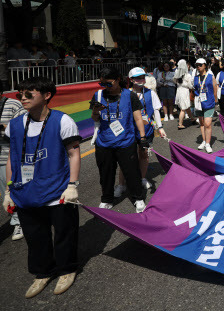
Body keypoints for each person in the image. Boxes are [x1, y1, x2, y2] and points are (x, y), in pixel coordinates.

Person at [3, 76, 82, 298]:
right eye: (20, 94)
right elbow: (12, 158)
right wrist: (8, 191)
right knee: (35, 236)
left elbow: (74, 153)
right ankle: (43, 272)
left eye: (29, 94)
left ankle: (67, 269)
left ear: (47, 96)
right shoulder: (15, 125)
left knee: (64, 234)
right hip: (25, 192)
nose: (23, 98)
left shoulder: (62, 121)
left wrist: (72, 185)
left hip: (57, 191)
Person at [91, 68, 148, 212]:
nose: (105, 87)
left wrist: (142, 137)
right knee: (106, 173)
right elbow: (94, 119)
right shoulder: (98, 95)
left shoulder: (130, 96)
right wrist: (96, 111)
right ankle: (107, 199)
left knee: (131, 172)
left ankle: (138, 198)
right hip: (104, 143)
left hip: (125, 142)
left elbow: (138, 118)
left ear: (117, 80)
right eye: (102, 84)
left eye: (108, 83)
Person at [114, 67, 167, 195]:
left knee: (144, 155)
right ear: (131, 80)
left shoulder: (151, 93)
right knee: (126, 158)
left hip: (147, 130)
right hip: (129, 132)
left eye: (142, 77)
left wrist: (160, 127)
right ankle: (121, 185)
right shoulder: (124, 94)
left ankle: (142, 178)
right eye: (138, 78)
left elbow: (156, 111)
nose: (141, 80)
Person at [0, 88, 27, 240]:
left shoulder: (14, 105)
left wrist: (4, 128)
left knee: (10, 191)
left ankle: (19, 221)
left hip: (8, 157)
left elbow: (23, 131)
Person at [193, 58, 218, 153]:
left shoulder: (210, 76)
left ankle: (208, 143)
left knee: (207, 123)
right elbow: (194, 89)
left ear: (205, 66)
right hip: (199, 103)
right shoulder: (195, 77)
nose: (198, 67)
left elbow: (215, 88)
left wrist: (216, 100)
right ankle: (203, 141)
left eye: (200, 65)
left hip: (209, 102)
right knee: (202, 123)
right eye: (197, 65)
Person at [174, 59, 195, 129]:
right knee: (183, 108)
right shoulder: (187, 75)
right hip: (184, 91)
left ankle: (192, 118)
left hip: (178, 90)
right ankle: (180, 124)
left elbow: (174, 81)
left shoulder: (176, 74)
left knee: (187, 106)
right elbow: (190, 85)